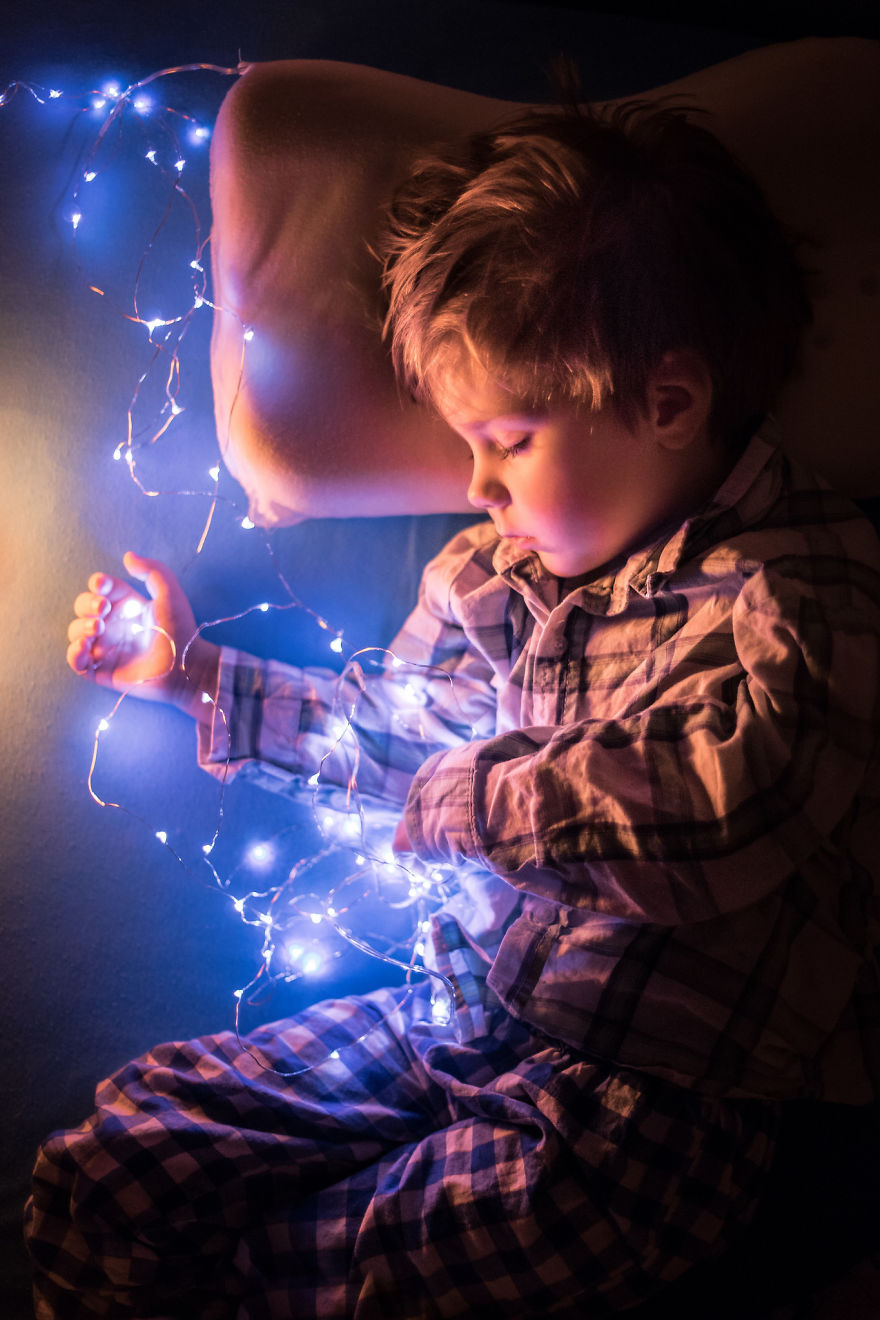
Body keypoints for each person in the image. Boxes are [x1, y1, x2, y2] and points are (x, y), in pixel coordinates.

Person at [27, 96, 880, 1319]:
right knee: (120, 1163)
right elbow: (391, 737)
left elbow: (734, 808)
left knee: (331, 1281)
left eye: (510, 439)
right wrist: (194, 675)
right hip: (454, 1015)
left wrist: (470, 792)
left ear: (669, 405)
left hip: (648, 1114)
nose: (475, 483)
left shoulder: (797, 582)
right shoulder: (491, 577)